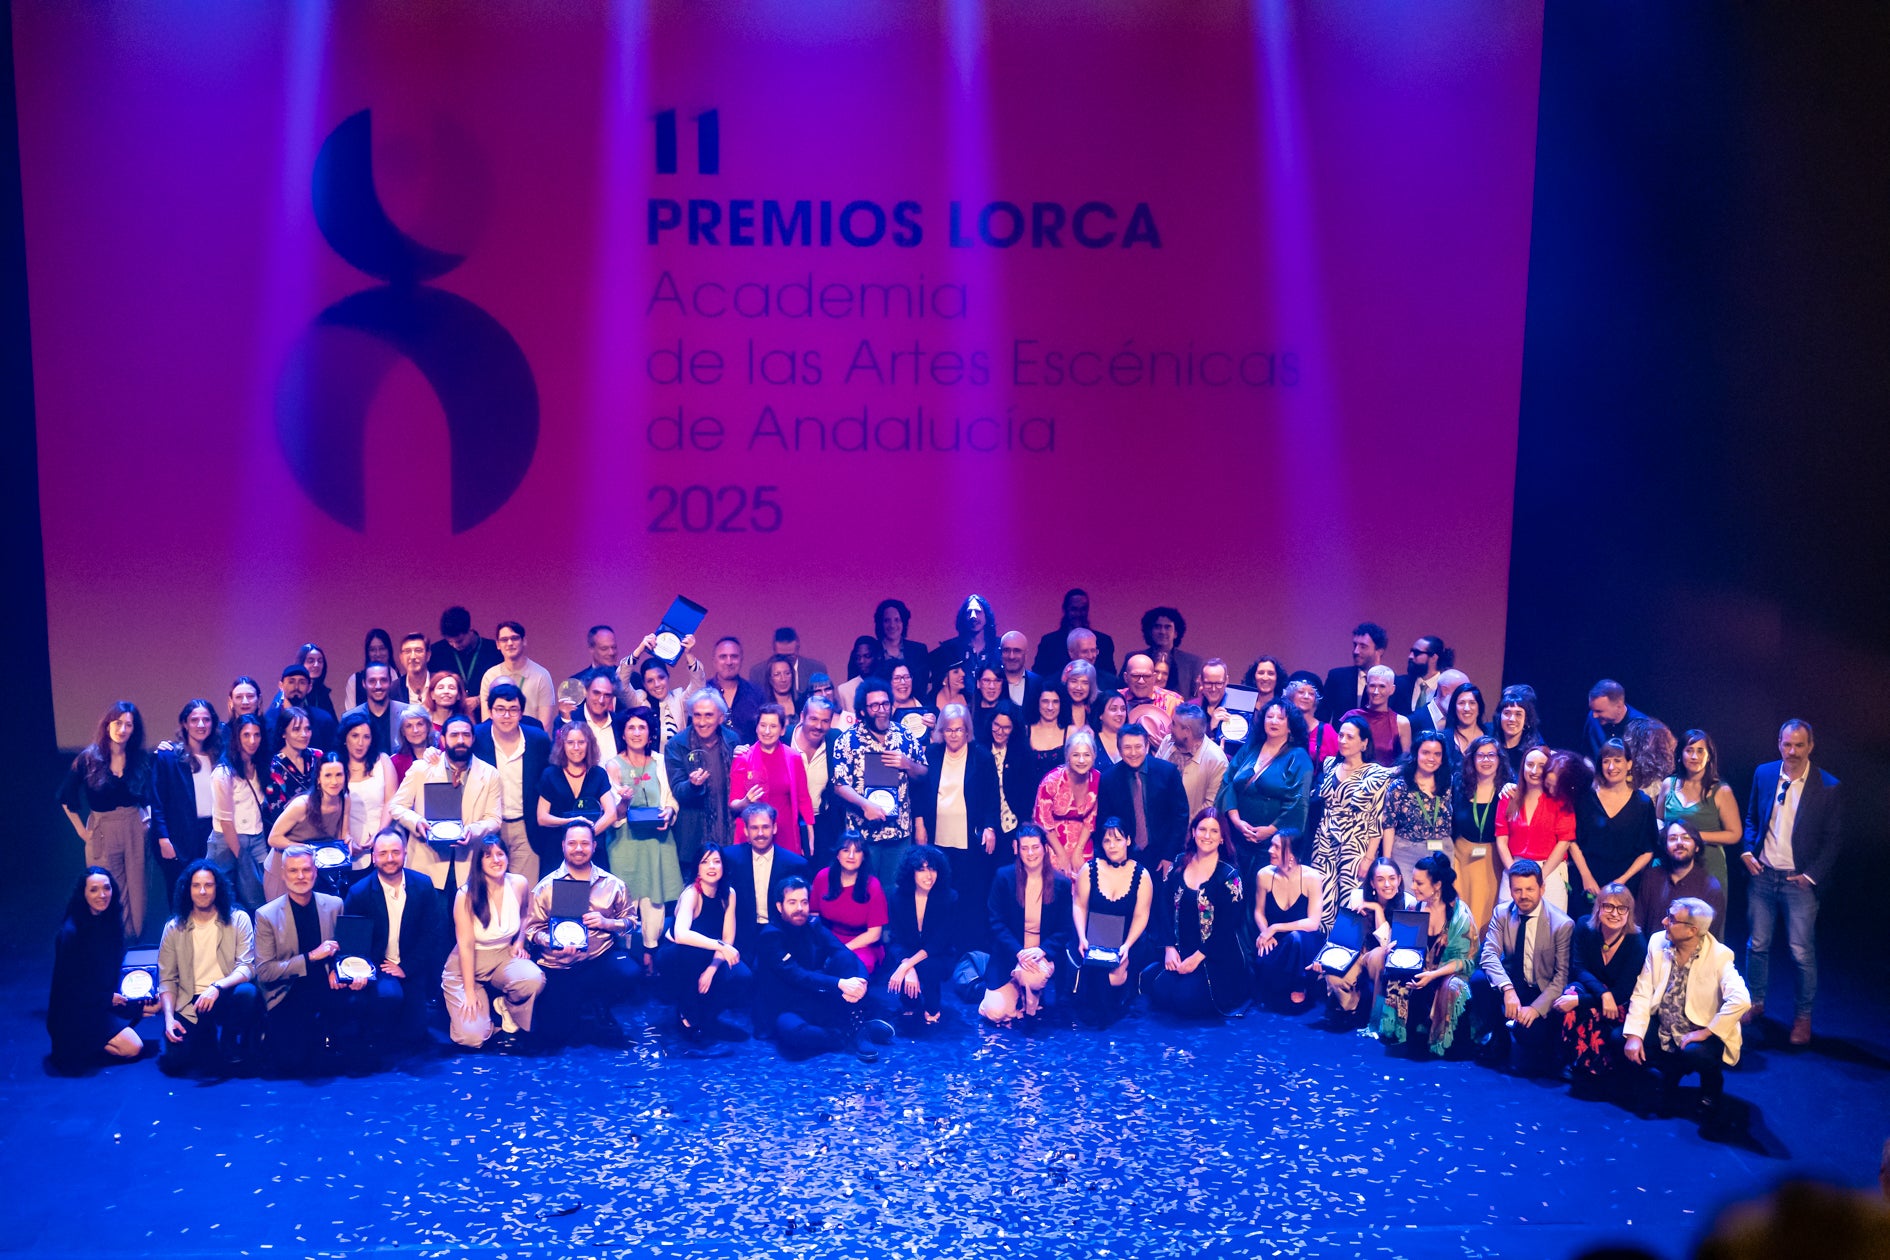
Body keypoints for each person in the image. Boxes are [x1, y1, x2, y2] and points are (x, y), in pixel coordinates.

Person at [1740, 718, 1841, 1046]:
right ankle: (1755, 1003)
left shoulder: (1827, 786)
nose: (1793, 751)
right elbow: (1753, 816)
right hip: (1763, 875)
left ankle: (1803, 1016)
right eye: (1787, 744)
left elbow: (1833, 840)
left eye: (1799, 745)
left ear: (1810, 746)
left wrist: (1810, 876)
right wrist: (1747, 850)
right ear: (1779, 744)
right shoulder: (1765, 773)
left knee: (1800, 952)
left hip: (1799, 883)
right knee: (1757, 945)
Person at [1625, 897, 1750, 1131]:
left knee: (1697, 1054)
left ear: (1692, 930)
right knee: (1620, 1038)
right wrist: (1634, 1035)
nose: (1663, 922)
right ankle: (1669, 1075)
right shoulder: (1657, 942)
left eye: (1671, 919)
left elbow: (1741, 1000)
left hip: (1697, 1029)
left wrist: (1707, 1031)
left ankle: (1710, 1089)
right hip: (1665, 1025)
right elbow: (1643, 990)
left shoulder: (1719, 956)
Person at [254, 845, 366, 1075]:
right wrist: (311, 957)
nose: (301, 876)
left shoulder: (335, 904)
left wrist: (339, 970)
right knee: (291, 1064)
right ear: (284, 874)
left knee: (351, 1062)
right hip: (288, 990)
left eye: (306, 869)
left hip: (327, 985)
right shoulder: (266, 915)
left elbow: (344, 950)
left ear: (315, 872)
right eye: (294, 871)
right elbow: (264, 972)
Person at [523, 824, 640, 1045]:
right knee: (557, 1033)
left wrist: (608, 923)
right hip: (558, 963)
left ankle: (601, 1004)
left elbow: (633, 923)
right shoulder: (545, 888)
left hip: (598, 959)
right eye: (572, 843)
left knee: (628, 972)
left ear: (594, 846)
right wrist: (550, 942)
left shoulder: (613, 885)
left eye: (585, 843)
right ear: (563, 846)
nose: (579, 848)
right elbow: (531, 929)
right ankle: (576, 1006)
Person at [756, 877, 891, 1061]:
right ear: (779, 907)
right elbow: (797, 975)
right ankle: (850, 1031)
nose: (799, 908)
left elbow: (843, 952)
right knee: (795, 1035)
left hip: (815, 998)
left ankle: (858, 1030)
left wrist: (862, 981)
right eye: (792, 902)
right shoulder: (771, 936)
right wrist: (840, 984)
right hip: (786, 1006)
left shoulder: (813, 925)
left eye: (804, 902)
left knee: (844, 958)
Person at [58, 702, 158, 937]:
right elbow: (65, 796)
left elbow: (149, 795)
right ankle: (115, 941)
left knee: (138, 888)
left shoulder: (139, 759)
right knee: (108, 887)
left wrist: (148, 819)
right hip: (102, 829)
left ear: (134, 729)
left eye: (128, 724)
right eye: (118, 723)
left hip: (134, 826)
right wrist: (81, 832)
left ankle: (134, 940)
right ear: (107, 725)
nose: (122, 729)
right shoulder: (89, 758)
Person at [156, 860, 261, 1077]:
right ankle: (205, 1036)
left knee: (247, 993)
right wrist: (168, 1018)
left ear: (218, 887)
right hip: (190, 1000)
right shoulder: (174, 927)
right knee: (176, 1061)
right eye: (196, 885)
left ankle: (229, 1037)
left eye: (208, 885)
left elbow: (247, 967)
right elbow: (166, 979)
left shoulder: (238, 919)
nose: (202, 891)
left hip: (224, 993)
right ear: (188, 889)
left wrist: (217, 987)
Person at [342, 828, 443, 1050]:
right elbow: (352, 943)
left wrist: (406, 967)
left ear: (405, 853)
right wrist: (363, 971)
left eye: (395, 852)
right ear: (374, 857)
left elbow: (432, 934)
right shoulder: (359, 893)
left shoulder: (424, 886)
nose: (390, 859)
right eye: (383, 853)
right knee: (388, 998)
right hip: (378, 967)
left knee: (414, 1035)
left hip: (411, 966)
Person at [442, 834, 544, 1050]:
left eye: (500, 854)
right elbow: (466, 947)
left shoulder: (519, 884)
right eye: (488, 856)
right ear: (479, 862)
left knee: (533, 979)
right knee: (472, 1038)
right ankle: (482, 1013)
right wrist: (469, 992)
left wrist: (519, 942)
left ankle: (505, 1006)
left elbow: (526, 915)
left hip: (502, 956)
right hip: (467, 963)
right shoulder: (466, 895)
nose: (496, 860)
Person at [1472, 858, 1574, 1074]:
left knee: (1530, 1037)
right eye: (1517, 890)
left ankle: (1540, 1043)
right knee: (1479, 981)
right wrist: (1507, 989)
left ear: (1542, 888)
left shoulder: (1562, 924)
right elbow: (1489, 955)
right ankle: (1499, 1037)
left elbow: (1561, 977)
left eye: (1530, 889)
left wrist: (1536, 1009)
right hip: (1512, 984)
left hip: (1540, 990)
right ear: (1510, 890)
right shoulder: (1502, 913)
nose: (1523, 895)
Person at [1143, 810, 1248, 1018]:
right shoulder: (1180, 863)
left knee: (1185, 1000)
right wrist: (1169, 948)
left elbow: (1227, 928)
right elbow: (1163, 907)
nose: (1207, 836)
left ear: (1221, 838)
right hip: (1180, 951)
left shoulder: (1229, 876)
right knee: (1157, 990)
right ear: (1193, 832)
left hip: (1213, 957)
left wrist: (1198, 957)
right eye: (1202, 829)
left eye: (1214, 831)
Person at [47, 868, 152, 1071]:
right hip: (77, 1010)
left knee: (152, 1005)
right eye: (94, 890)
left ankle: (103, 1034)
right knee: (134, 1048)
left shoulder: (109, 922)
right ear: (83, 894)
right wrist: (106, 998)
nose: (102, 895)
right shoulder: (70, 933)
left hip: (101, 998)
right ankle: (79, 1043)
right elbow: (69, 987)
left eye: (106, 888)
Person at [911, 704, 998, 947]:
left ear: (967, 730)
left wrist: (991, 827)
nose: (954, 735)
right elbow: (919, 793)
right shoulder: (932, 754)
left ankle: (968, 947)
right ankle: (939, 944)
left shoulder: (981, 756)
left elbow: (992, 795)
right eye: (948, 730)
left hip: (969, 837)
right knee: (940, 891)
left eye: (959, 730)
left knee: (969, 893)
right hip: (937, 836)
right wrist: (919, 824)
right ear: (941, 731)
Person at [599, 708, 681, 965]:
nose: (636, 733)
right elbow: (614, 813)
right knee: (627, 897)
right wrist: (623, 802)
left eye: (642, 728)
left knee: (654, 899)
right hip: (626, 842)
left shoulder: (660, 760)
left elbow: (670, 798)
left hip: (658, 840)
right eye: (631, 728)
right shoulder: (612, 765)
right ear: (623, 733)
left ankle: (651, 952)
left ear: (650, 733)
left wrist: (669, 811)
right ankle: (627, 957)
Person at [390, 714, 503, 898]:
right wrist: (417, 821)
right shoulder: (421, 769)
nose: (460, 740)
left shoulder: (490, 774)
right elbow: (396, 806)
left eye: (466, 735)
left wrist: (473, 830)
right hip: (427, 861)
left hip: (469, 863)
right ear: (442, 739)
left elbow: (494, 819)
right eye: (454, 735)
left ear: (473, 739)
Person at [831, 676, 929, 889]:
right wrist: (865, 805)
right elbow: (839, 784)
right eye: (874, 705)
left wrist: (908, 764)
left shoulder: (904, 735)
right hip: (863, 834)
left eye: (885, 703)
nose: (882, 709)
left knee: (896, 892)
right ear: (863, 711)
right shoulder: (847, 740)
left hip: (899, 832)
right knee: (863, 892)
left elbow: (924, 774)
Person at [1376, 851, 1477, 1056]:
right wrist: (1392, 949)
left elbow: (1464, 961)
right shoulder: (1415, 906)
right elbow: (1406, 945)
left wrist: (1432, 975)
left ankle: (1441, 1041)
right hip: (1421, 969)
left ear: (1437, 885)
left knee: (1454, 985)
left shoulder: (1460, 916)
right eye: (1413, 881)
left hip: (1448, 973)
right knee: (1394, 971)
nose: (1413, 887)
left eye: (1419, 883)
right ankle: (1400, 1032)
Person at [1555, 882, 1648, 1096]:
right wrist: (1602, 993)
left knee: (1579, 1004)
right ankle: (1574, 1061)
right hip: (1595, 991)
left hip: (1620, 1001)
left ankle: (1598, 1068)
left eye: (1621, 908)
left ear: (1629, 912)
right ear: (1598, 907)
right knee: (1569, 996)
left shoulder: (1637, 943)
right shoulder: (1584, 926)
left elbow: (1624, 991)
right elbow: (1578, 967)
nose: (1614, 913)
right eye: (1608, 906)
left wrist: (1584, 1000)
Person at [656, 845, 751, 1046]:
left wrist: (712, 968)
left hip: (707, 954)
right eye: (705, 862)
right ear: (697, 868)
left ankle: (707, 1016)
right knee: (691, 955)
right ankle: (686, 1017)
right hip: (676, 953)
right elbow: (681, 934)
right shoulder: (692, 893)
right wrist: (720, 947)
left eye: (716, 861)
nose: (711, 867)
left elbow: (728, 937)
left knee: (742, 974)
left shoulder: (728, 894)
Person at [980, 826, 1075, 1023]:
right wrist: (1018, 952)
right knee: (994, 1013)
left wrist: (1042, 950)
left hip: (1041, 954)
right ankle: (1018, 996)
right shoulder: (1003, 878)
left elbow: (1065, 928)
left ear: (1044, 849)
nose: (1030, 853)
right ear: (1016, 848)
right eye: (1024, 848)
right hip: (1011, 952)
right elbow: (996, 922)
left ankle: (1029, 997)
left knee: (1031, 977)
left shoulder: (1061, 884)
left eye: (1035, 847)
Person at [1067, 820, 1156, 1026]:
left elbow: (1141, 915)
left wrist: (1127, 946)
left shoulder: (1141, 875)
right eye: (1107, 841)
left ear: (1128, 840)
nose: (1112, 845)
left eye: (1117, 839)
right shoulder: (1090, 870)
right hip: (1092, 939)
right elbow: (1079, 905)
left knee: (1113, 980)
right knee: (1097, 985)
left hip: (1127, 941)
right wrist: (1081, 937)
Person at [1308, 713, 1392, 929]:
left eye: (1350, 737)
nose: (1343, 741)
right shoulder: (1329, 765)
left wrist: (1369, 857)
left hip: (1356, 845)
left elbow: (1377, 819)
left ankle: (1346, 956)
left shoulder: (1375, 774)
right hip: (1324, 842)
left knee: (1351, 903)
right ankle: (1322, 955)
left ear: (1364, 743)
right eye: (1341, 736)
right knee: (1322, 901)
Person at [1218, 699, 1314, 888]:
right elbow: (1228, 782)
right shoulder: (1249, 749)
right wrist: (1236, 821)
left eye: (1280, 718)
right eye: (1269, 716)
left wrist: (1269, 830)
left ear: (1290, 726)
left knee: (1259, 895)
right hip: (1238, 836)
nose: (1274, 721)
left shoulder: (1298, 757)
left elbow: (1298, 802)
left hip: (1272, 843)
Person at [1570, 739, 1660, 917]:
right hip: (1588, 882)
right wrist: (1586, 875)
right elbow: (1572, 840)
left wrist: (1621, 881)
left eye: (1617, 760)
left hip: (1625, 884)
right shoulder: (1586, 798)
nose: (1611, 767)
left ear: (1629, 764)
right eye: (1606, 761)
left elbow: (1648, 850)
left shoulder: (1642, 803)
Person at [472, 681, 552, 885]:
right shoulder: (476, 737)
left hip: (526, 828)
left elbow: (549, 780)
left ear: (521, 712)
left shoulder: (538, 740)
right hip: (489, 826)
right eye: (500, 709)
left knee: (525, 891)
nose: (506, 716)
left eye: (513, 710)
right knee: (488, 891)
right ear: (490, 711)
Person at [1323, 857, 1417, 1023]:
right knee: (1334, 976)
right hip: (1360, 952)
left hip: (1385, 957)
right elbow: (1347, 936)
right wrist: (1324, 960)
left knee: (1380, 954)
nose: (1387, 884)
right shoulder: (1357, 897)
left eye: (1392, 878)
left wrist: (1377, 909)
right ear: (1372, 883)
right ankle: (1353, 1007)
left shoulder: (1408, 902)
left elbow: (1387, 946)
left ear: (1400, 879)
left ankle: (1376, 1016)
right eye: (1380, 880)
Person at [1096, 722, 1190, 877]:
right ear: (1119, 749)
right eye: (1127, 747)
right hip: (1125, 856)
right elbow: (1105, 820)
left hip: (1162, 856)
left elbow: (1180, 815)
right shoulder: (1108, 779)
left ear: (1146, 746)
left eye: (1138, 746)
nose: (1133, 752)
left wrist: (1169, 855)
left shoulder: (1167, 772)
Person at [1658, 728, 1743, 891]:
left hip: (1707, 867)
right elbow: (1659, 819)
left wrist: (1693, 837)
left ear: (1709, 755)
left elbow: (1735, 834)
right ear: (1680, 755)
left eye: (1700, 751)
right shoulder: (1669, 784)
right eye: (1689, 751)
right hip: (1671, 865)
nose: (1694, 756)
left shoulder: (1721, 791)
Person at [151, 699, 221, 896]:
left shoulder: (220, 756)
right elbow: (157, 803)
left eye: (206, 720)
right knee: (180, 894)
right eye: (194, 720)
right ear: (184, 723)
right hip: (179, 836)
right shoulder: (169, 756)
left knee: (211, 891)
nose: (201, 725)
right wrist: (164, 839)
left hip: (212, 833)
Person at [723, 803, 811, 958]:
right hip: (740, 937)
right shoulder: (729, 858)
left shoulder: (795, 864)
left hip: (781, 936)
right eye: (754, 828)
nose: (760, 833)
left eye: (765, 827)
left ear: (774, 828)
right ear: (746, 831)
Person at [666, 690, 740, 874]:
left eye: (708, 715)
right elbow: (678, 790)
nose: (702, 721)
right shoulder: (677, 745)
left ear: (720, 718)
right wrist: (692, 786)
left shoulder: (732, 740)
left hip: (728, 830)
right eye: (697, 715)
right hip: (693, 836)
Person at [1496, 746, 1576, 912]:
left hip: (1550, 870)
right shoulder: (1509, 796)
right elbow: (1501, 838)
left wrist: (1540, 877)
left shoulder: (1560, 799)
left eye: (1542, 766)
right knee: (1508, 925)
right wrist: (1514, 873)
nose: (1535, 770)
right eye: (1530, 764)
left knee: (1550, 929)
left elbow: (1564, 840)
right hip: (1515, 868)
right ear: (1522, 766)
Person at [884, 846, 957, 1030]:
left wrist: (907, 966)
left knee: (928, 968)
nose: (929, 875)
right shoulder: (897, 898)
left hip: (938, 955)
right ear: (911, 872)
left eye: (932, 869)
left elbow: (939, 943)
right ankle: (910, 999)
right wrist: (906, 965)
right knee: (908, 1002)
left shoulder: (949, 898)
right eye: (922, 869)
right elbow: (896, 939)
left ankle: (931, 999)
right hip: (907, 953)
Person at [1251, 829, 1324, 1011]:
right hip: (1276, 940)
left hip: (1305, 941)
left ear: (1292, 854)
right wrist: (1265, 932)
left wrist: (1275, 927)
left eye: (1276, 847)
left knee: (1296, 939)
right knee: (1263, 966)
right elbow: (1258, 912)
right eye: (1271, 845)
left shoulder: (1312, 878)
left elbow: (1313, 923)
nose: (1270, 850)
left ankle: (1300, 984)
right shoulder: (1264, 875)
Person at [263, 752, 350, 903]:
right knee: (283, 922)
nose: (334, 781)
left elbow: (342, 838)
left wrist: (350, 843)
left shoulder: (345, 799)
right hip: (284, 868)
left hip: (314, 870)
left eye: (339, 775)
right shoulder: (302, 805)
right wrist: (307, 849)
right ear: (318, 779)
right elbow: (273, 838)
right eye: (328, 775)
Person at [729, 703, 815, 853]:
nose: (767, 731)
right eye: (763, 725)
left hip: (785, 834)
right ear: (756, 728)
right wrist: (746, 802)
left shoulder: (793, 757)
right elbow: (733, 803)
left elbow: (803, 798)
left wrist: (810, 832)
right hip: (753, 834)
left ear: (782, 730)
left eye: (773, 726)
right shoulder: (743, 758)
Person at [1451, 736, 1510, 936]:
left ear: (1499, 759)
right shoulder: (1459, 785)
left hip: (1494, 859)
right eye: (1481, 755)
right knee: (1462, 913)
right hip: (1462, 858)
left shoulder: (1508, 790)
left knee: (1487, 912)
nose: (1486, 760)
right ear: (1472, 759)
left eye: (1491, 755)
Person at [211, 714, 270, 909]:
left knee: (262, 897)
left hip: (257, 836)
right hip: (228, 840)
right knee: (224, 899)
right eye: (246, 735)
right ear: (236, 737)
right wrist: (241, 857)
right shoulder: (223, 773)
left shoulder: (261, 766)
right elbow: (226, 821)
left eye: (257, 735)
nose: (252, 741)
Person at [812, 831, 891, 974]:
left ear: (863, 857)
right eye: (846, 850)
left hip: (861, 943)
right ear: (837, 854)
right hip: (828, 938)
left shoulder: (873, 886)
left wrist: (842, 950)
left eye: (857, 851)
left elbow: (874, 934)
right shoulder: (823, 876)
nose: (851, 856)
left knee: (851, 970)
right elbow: (813, 915)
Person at [535, 723, 617, 856]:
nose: (576, 747)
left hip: (591, 850)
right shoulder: (550, 774)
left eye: (581, 742)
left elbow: (611, 814)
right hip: (557, 848)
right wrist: (570, 827)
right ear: (562, 745)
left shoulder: (598, 774)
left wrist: (585, 839)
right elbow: (542, 817)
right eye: (570, 742)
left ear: (589, 744)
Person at [1381, 731, 1454, 876]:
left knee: (1439, 897)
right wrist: (1387, 861)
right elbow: (1389, 825)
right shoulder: (1400, 787)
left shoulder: (1448, 783)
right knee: (1410, 898)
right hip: (1406, 854)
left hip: (1441, 853)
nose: (1431, 758)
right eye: (1426, 752)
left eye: (1437, 754)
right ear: (1416, 754)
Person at [1639, 818, 1727, 936]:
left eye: (1686, 838)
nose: (1679, 843)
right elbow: (1637, 922)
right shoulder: (1651, 877)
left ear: (1697, 847)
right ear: (1665, 847)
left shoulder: (1710, 887)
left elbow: (1709, 935)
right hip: (1652, 952)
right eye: (1673, 838)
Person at [1033, 729, 1101, 876]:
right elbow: (1043, 822)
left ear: (1094, 756)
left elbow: (1091, 820)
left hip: (1083, 840)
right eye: (1076, 755)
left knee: (1084, 880)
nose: (1081, 760)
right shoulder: (1051, 781)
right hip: (1053, 840)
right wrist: (1062, 855)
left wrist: (1078, 851)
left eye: (1086, 755)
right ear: (1067, 757)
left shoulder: (1098, 779)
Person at [790, 695, 846, 863]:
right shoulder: (784, 738)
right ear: (802, 717)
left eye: (825, 721)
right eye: (813, 719)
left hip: (823, 824)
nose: (819, 726)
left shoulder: (835, 740)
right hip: (789, 823)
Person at [1320, 622, 1413, 721]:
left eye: (1363, 647)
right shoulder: (1337, 677)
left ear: (1379, 651)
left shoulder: (1397, 683)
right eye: (1355, 645)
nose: (1356, 651)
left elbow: (1403, 720)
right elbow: (1322, 716)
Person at [1157, 703, 1228, 822]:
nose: (1169, 727)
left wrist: (1186, 827)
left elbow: (1210, 804)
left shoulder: (1217, 760)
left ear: (1187, 731)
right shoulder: (1167, 741)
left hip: (1190, 831)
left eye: (1174, 724)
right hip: (1159, 824)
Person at [479, 621, 555, 728]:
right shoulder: (490, 676)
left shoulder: (541, 675)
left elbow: (544, 725)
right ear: (498, 645)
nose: (509, 643)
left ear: (524, 641)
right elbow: (486, 721)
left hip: (531, 741)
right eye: (504, 640)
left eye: (514, 638)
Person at [1032, 587, 1118, 681]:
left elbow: (1110, 678)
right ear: (1065, 610)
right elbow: (1039, 676)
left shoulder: (1104, 642)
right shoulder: (1049, 642)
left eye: (1083, 609)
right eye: (1074, 609)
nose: (1079, 614)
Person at [428, 606, 503, 708]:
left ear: (469, 630)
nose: (455, 645)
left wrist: (479, 700)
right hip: (450, 715)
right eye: (450, 642)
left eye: (459, 641)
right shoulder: (437, 652)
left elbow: (502, 685)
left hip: (485, 713)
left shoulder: (493, 650)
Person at [264, 706, 322, 832]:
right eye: (296, 729)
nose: (304, 734)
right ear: (283, 733)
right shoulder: (275, 767)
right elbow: (277, 812)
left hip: (322, 827)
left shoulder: (317, 757)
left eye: (307, 729)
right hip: (291, 833)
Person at [931, 593, 999, 690]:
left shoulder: (999, 648)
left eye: (978, 612)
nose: (973, 616)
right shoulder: (949, 649)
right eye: (969, 612)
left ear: (986, 616)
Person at [706, 636, 766, 744]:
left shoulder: (757, 693)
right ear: (714, 660)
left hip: (749, 759)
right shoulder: (703, 693)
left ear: (741, 659)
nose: (729, 662)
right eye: (723, 657)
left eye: (734, 656)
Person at [266, 665, 339, 754]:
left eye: (302, 682)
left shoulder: (323, 719)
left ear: (309, 687)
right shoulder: (269, 719)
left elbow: (333, 752)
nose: (296, 687)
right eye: (291, 682)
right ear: (281, 685)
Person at [340, 661, 402, 762]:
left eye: (383, 680)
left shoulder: (407, 713)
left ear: (390, 682)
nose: (378, 686)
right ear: (364, 683)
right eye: (372, 681)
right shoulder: (349, 718)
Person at [1138, 606, 1202, 700]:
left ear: (1176, 633)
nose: (1162, 632)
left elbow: (1196, 699)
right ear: (1150, 631)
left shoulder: (1192, 663)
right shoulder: (1135, 658)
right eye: (1157, 627)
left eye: (1167, 627)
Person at [1119, 653, 1182, 746]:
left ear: (1153, 677)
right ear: (1126, 677)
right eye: (1135, 676)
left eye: (1146, 676)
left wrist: (1168, 747)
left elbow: (1185, 740)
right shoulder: (1115, 699)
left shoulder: (1173, 702)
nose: (1141, 681)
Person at [1582, 679, 1650, 763]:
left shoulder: (1641, 726)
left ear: (1618, 706)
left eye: (1599, 711)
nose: (1594, 715)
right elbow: (1588, 754)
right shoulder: (1592, 719)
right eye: (1593, 710)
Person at [748, 626, 829, 697]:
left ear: (798, 647)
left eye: (790, 656)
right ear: (774, 649)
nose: (785, 660)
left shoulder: (816, 669)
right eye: (781, 656)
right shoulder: (758, 673)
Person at [873, 598, 929, 699]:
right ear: (880, 624)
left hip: (913, 709)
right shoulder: (870, 651)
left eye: (897, 620)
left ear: (904, 623)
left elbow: (922, 688)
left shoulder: (919, 651)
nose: (892, 625)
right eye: (887, 620)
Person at [1022, 685, 1071, 799]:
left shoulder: (1071, 733)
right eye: (1045, 701)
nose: (1050, 707)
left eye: (1055, 702)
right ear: (1037, 703)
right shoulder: (1025, 731)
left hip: (1063, 801)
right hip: (1030, 800)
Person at [1356, 666, 1411, 769]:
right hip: (1353, 779)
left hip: (1387, 780)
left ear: (1392, 689)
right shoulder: (1353, 717)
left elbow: (1406, 762)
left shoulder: (1401, 722)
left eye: (1382, 686)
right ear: (1366, 687)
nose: (1376, 691)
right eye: (1372, 686)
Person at [1284, 675, 1341, 762]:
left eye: (1311, 693)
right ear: (1291, 696)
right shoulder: (1281, 725)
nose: (1306, 696)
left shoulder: (1326, 731)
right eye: (1301, 692)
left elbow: (1339, 762)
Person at [1494, 685, 1544, 781]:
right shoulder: (1490, 744)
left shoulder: (1534, 751)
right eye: (1507, 713)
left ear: (1527, 720)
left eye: (1518, 714)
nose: (1512, 719)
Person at [342, 628, 395, 712]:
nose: (378, 654)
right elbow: (351, 715)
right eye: (372, 650)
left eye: (382, 648)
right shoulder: (355, 680)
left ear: (389, 650)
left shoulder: (401, 680)